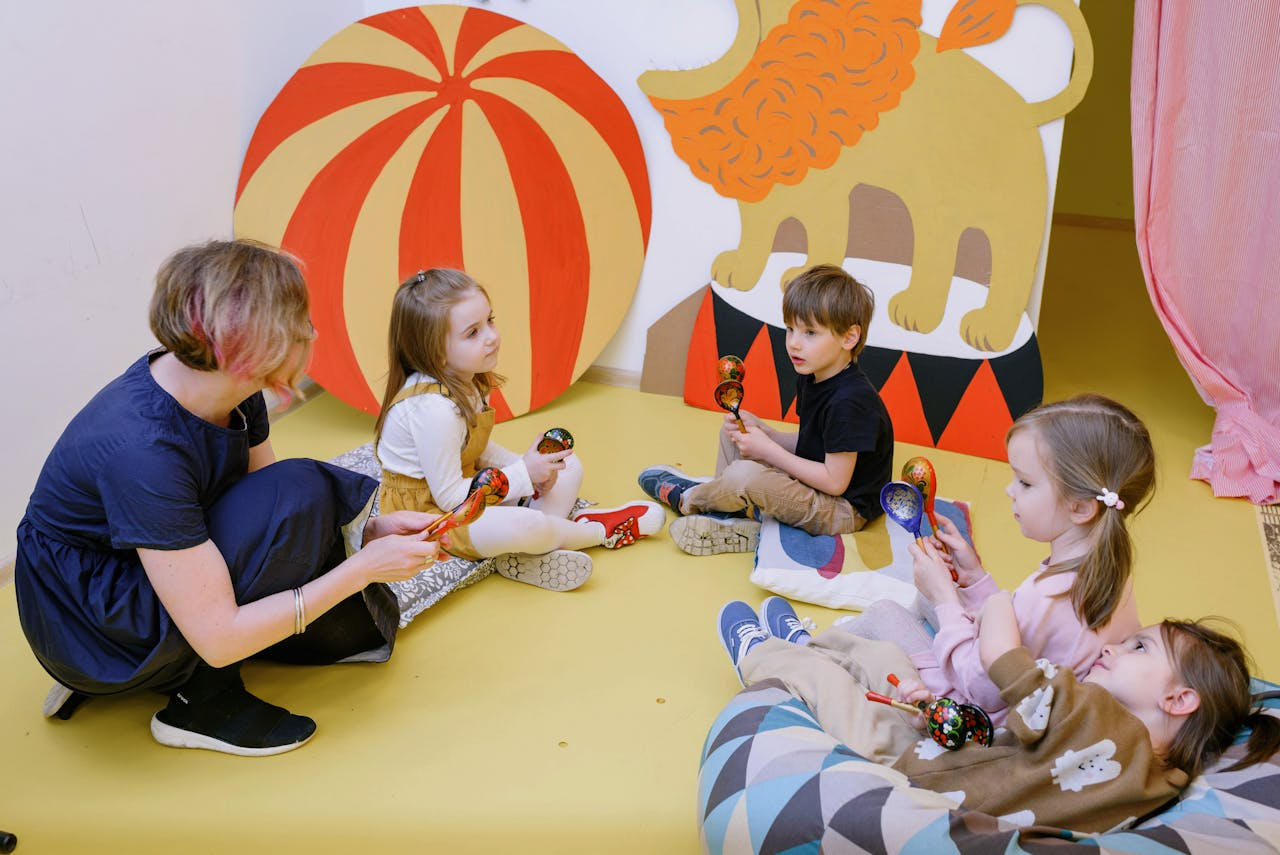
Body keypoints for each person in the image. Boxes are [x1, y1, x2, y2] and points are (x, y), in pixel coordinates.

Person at [14, 239, 444, 756]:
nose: (312, 332)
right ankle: (194, 700)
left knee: (301, 493)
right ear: (246, 345)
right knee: (302, 532)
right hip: (85, 619)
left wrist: (369, 534)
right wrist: (363, 569)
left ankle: (155, 647)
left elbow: (273, 513)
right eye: (297, 322)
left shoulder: (226, 390)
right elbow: (220, 636)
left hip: (132, 565)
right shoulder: (143, 450)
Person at [716, 596, 1280, 833]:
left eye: (1138, 648)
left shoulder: (1094, 711)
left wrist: (995, 602)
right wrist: (942, 719)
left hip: (910, 774)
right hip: (959, 767)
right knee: (889, 663)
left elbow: (1005, 659)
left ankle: (764, 653)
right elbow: (1021, 754)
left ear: (1180, 700)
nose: (1112, 647)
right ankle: (811, 643)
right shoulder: (1164, 781)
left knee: (834, 685)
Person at [838, 393, 1154, 726]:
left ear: (1080, 508)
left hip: (978, 713)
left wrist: (945, 598)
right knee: (932, 597)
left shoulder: (1046, 595)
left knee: (884, 613)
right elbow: (1016, 635)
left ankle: (806, 649)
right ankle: (920, 626)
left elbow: (981, 687)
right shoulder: (1109, 570)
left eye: (1026, 482)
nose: (1009, 490)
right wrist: (974, 578)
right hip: (1022, 691)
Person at [375, 268, 663, 590]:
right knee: (530, 525)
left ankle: (530, 551)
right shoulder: (434, 410)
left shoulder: (464, 381)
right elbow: (450, 499)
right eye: (472, 332)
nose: (492, 336)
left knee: (569, 467)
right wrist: (523, 474)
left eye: (490, 321)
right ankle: (595, 531)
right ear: (435, 353)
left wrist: (528, 469)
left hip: (472, 490)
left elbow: (476, 448)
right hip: (434, 516)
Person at [638, 264, 893, 556]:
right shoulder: (815, 377)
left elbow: (835, 482)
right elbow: (814, 445)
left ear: (849, 338)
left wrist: (768, 451)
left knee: (745, 476)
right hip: (820, 489)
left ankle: (690, 499)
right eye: (791, 329)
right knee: (735, 431)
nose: (794, 343)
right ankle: (727, 511)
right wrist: (767, 434)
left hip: (842, 511)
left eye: (810, 332)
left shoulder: (851, 401)